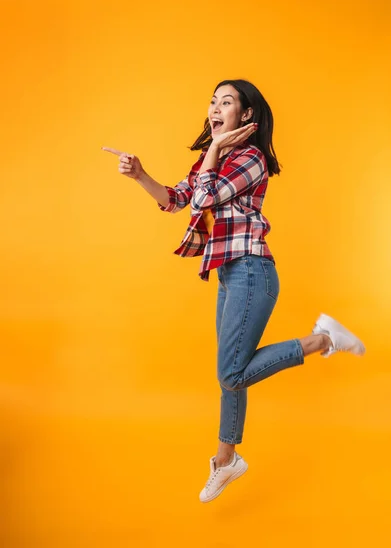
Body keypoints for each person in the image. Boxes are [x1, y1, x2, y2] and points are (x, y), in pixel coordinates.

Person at [102, 79, 366, 503]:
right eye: (212, 100)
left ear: (245, 115)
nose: (214, 107)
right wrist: (139, 175)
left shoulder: (251, 159)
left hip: (253, 272)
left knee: (230, 372)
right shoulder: (216, 158)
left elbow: (204, 198)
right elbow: (175, 199)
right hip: (230, 274)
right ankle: (226, 460)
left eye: (226, 101)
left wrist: (213, 149)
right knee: (232, 375)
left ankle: (323, 338)